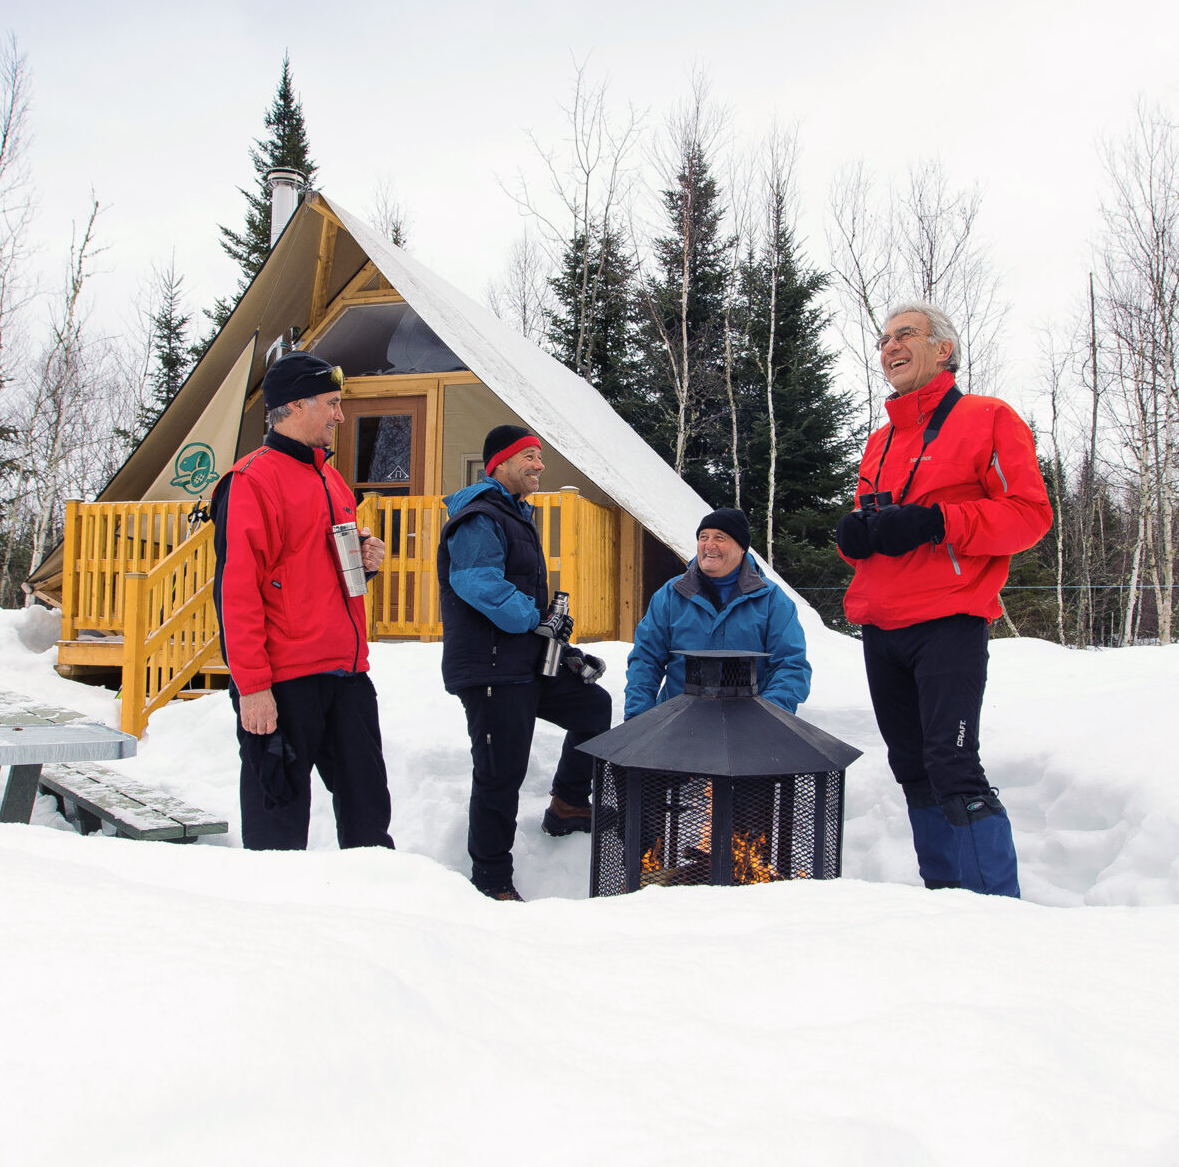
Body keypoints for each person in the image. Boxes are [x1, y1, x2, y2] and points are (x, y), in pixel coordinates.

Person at [834, 301, 1051, 896]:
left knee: (953, 764)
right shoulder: (878, 442)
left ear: (943, 349)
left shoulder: (989, 418)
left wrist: (938, 522)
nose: (890, 347)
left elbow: (1030, 515)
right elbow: (880, 530)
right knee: (911, 767)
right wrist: (855, 537)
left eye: (905, 335)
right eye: (882, 339)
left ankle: (996, 907)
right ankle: (946, 902)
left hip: (949, 618)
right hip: (881, 624)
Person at [220, 350, 395, 852]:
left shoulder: (332, 478)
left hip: (347, 674)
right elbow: (237, 591)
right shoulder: (251, 480)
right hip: (284, 681)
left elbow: (324, 573)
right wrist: (252, 687)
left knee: (369, 816)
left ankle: (376, 915)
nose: (340, 416)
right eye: (332, 403)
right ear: (295, 406)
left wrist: (365, 561)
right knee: (277, 822)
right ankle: (275, 924)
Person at [437, 424, 613, 901]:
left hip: (522, 664)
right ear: (501, 464)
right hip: (490, 670)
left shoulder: (514, 515)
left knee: (593, 708)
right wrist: (536, 617)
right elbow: (477, 584)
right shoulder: (479, 517)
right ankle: (491, 880)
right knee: (500, 772)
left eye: (539, 456)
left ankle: (568, 805)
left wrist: (559, 643)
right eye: (530, 456)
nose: (539, 465)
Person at [623, 508, 811, 720]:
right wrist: (639, 720)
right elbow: (645, 660)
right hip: (678, 722)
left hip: (748, 724)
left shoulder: (771, 599)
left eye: (720, 538)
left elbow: (791, 666)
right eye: (703, 537)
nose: (709, 545)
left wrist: (767, 719)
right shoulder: (670, 595)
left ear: (741, 548)